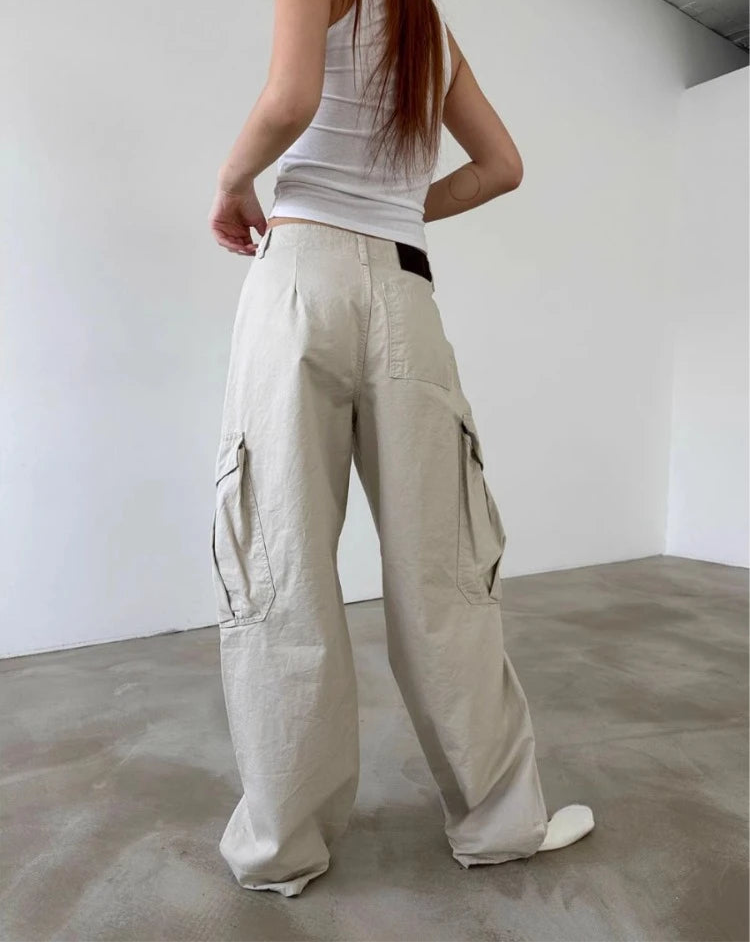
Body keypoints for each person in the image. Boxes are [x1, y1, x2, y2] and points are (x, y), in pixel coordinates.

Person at [207, 0, 594, 898]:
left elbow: (289, 99)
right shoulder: (427, 26)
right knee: (442, 571)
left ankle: (282, 846)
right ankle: (500, 823)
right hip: (403, 289)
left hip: (298, 280)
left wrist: (231, 184)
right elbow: (501, 167)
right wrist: (391, 206)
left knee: (281, 562)